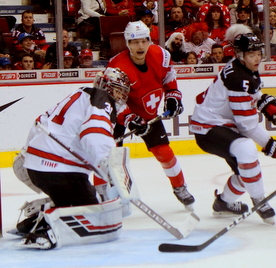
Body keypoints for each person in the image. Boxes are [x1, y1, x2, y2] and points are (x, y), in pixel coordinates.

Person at [189, 24, 276, 224]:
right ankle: (260, 201)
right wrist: (271, 146)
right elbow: (247, 126)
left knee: (247, 171)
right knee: (247, 148)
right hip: (208, 129)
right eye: (251, 54)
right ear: (239, 55)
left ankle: (223, 203)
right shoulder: (238, 79)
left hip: (223, 126)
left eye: (258, 53)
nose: (257, 59)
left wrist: (264, 101)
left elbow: (252, 94)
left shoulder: (245, 69)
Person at [15, 67, 131, 249]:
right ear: (105, 86)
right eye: (117, 90)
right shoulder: (102, 99)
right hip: (60, 171)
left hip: (36, 166)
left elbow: (40, 121)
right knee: (95, 217)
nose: (119, 97)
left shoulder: (80, 94)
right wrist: (111, 167)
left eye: (123, 93)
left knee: (84, 202)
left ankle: (40, 214)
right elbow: (94, 134)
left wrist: (27, 157)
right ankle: (47, 230)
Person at [107, 21, 195, 209]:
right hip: (119, 117)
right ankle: (109, 195)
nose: (140, 46)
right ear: (127, 44)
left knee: (164, 153)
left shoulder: (161, 55)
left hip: (147, 114)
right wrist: (129, 118)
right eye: (135, 42)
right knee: (111, 157)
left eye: (144, 41)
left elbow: (169, 77)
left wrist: (173, 96)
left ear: (149, 40)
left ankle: (180, 187)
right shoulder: (116, 66)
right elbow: (114, 100)